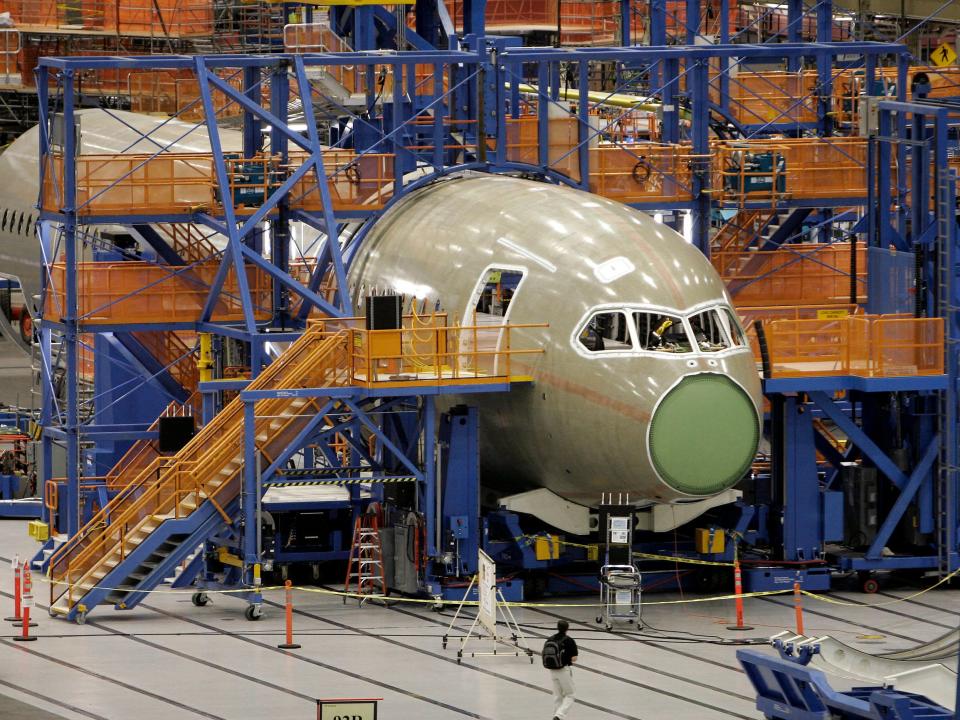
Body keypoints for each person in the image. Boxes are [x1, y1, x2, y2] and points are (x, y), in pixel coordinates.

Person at [546, 619, 578, 719]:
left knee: (557, 696)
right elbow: (574, 658)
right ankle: (559, 716)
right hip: (564, 670)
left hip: (552, 670)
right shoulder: (569, 640)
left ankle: (556, 716)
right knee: (570, 694)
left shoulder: (550, 639)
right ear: (567, 628)